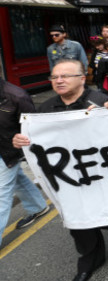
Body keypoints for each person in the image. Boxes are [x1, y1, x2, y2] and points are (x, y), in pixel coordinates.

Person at [12, 59, 108, 281]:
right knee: (78, 221)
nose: (59, 80)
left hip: (100, 175)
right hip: (67, 179)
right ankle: (91, 260)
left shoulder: (100, 102)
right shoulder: (46, 108)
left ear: (81, 78)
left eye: (65, 76)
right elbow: (37, 141)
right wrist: (21, 140)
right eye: (55, 77)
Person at [1, 78, 50, 247]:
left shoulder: (17, 96)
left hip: (10, 150)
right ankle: (38, 207)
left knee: (1, 193)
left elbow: (32, 127)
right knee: (17, 179)